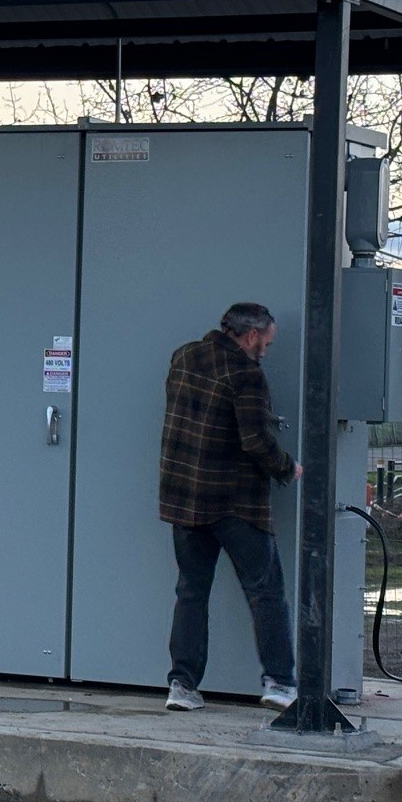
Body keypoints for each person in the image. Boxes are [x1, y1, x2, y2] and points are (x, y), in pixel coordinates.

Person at [158, 301, 301, 712]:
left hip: (184, 497)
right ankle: (279, 683)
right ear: (251, 335)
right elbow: (255, 440)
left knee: (191, 592)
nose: (266, 351)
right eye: (267, 343)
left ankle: (182, 686)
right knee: (266, 593)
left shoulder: (183, 357)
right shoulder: (246, 374)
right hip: (235, 502)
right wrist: (287, 467)